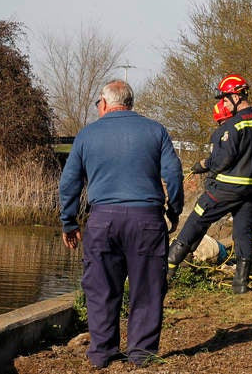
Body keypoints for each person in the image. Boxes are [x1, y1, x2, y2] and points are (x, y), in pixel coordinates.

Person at [58, 79, 183, 368]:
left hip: (102, 221)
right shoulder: (156, 131)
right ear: (130, 103)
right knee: (148, 288)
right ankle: (141, 354)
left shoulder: (87, 135)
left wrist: (69, 221)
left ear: (104, 103)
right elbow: (174, 175)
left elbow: (69, 183)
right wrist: (173, 210)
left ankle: (102, 352)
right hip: (147, 220)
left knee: (101, 288)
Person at [167, 74, 252, 294]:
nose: (223, 103)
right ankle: (240, 285)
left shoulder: (233, 126)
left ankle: (166, 274)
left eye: (225, 98)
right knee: (243, 233)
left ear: (236, 96)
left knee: (195, 221)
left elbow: (223, 161)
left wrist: (203, 164)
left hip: (226, 189)